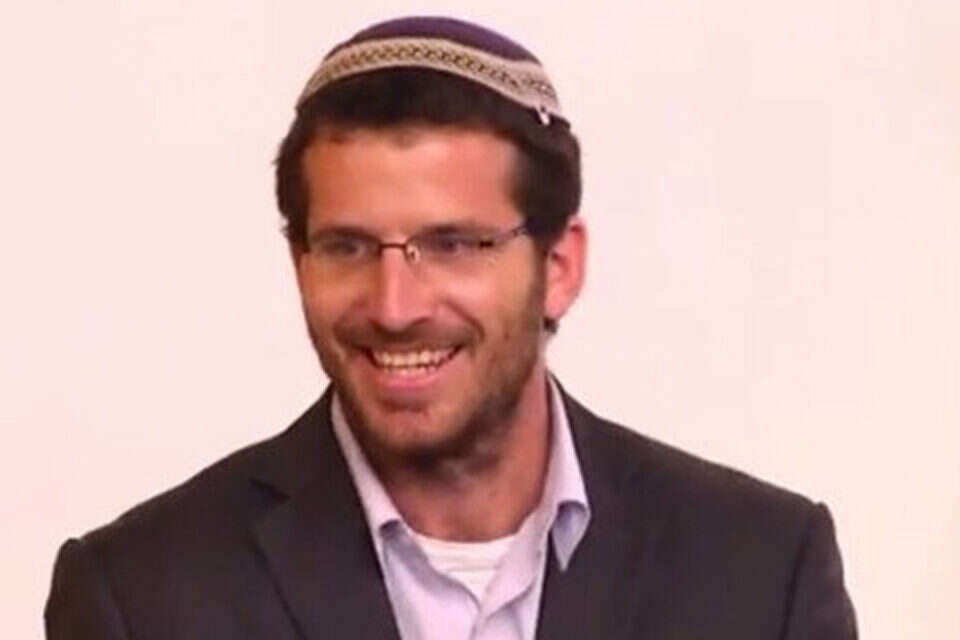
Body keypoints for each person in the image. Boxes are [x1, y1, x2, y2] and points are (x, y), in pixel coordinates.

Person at [44, 16, 857, 640]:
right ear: (299, 263)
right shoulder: (140, 598)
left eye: (454, 245)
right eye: (347, 247)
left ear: (559, 265)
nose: (395, 306)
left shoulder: (761, 574)